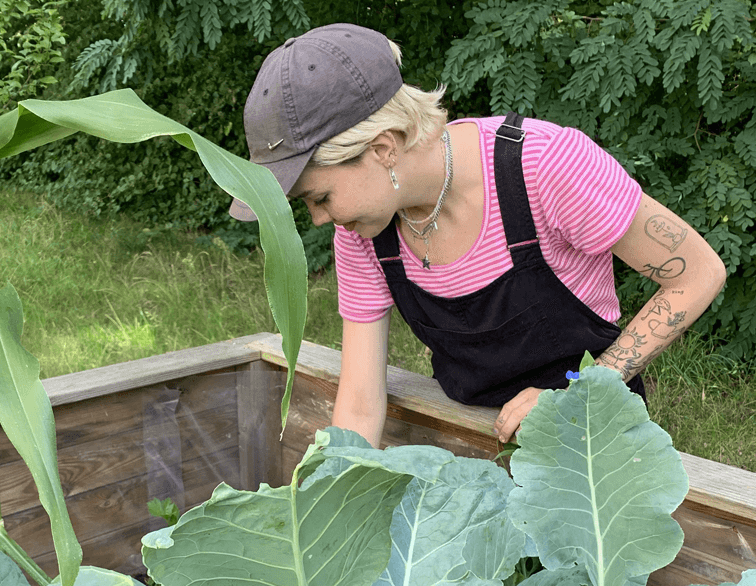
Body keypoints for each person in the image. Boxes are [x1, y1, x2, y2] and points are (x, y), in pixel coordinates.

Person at [230, 23, 727, 448]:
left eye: (320, 198)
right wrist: (335, 501)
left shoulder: (544, 166)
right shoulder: (364, 232)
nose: (319, 219)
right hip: (473, 439)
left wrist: (582, 392)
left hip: (593, 442)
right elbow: (360, 404)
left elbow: (699, 273)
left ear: (382, 149)